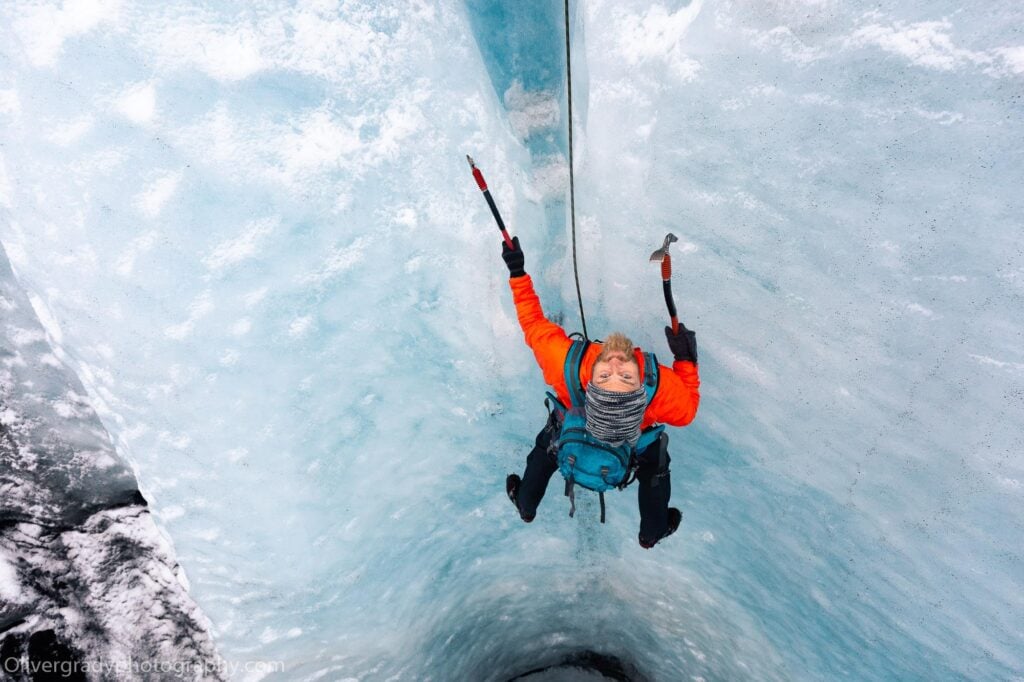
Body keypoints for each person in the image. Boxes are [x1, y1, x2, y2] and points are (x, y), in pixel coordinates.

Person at [500, 236, 701, 548]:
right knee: (656, 458)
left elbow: (532, 323)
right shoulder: (659, 386)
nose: (619, 362)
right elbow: (687, 411)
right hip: (629, 446)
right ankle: (652, 531)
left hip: (573, 427)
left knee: (550, 441)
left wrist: (517, 272)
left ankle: (526, 504)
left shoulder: (566, 363)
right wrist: (687, 360)